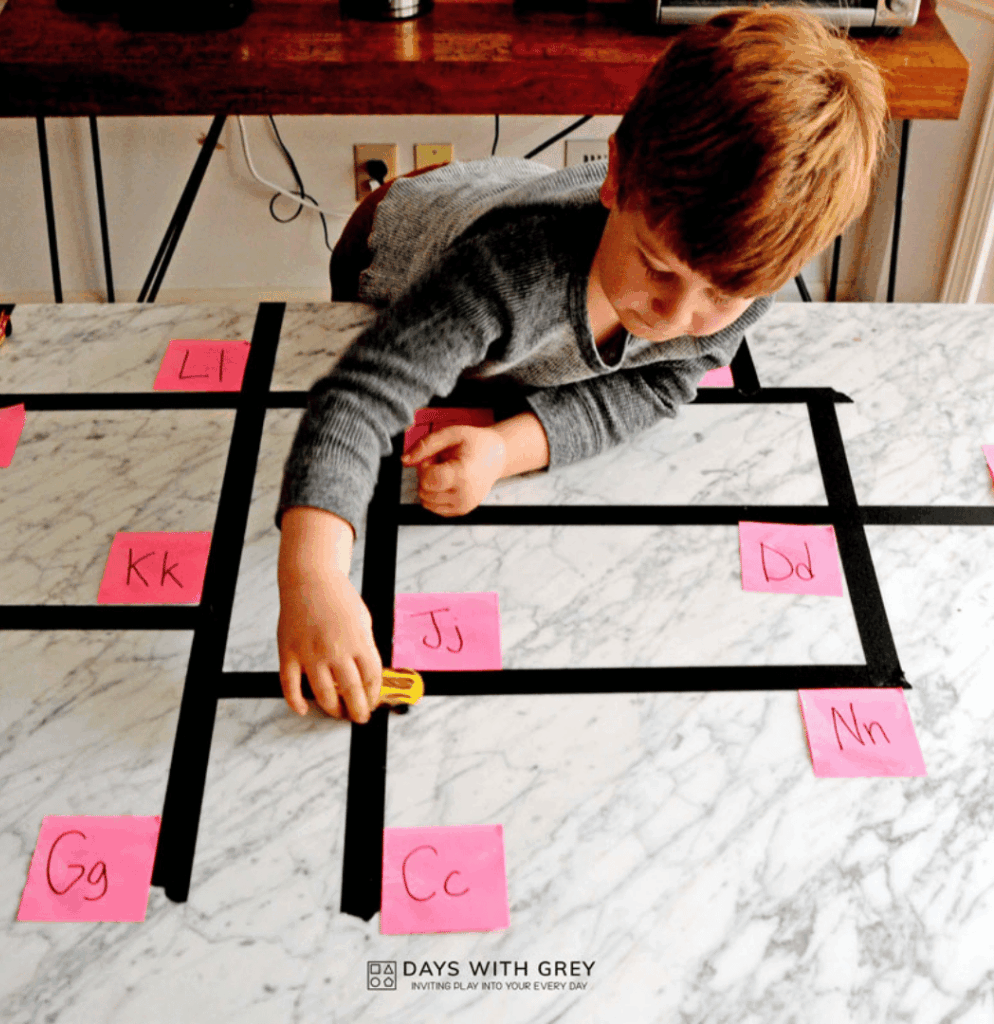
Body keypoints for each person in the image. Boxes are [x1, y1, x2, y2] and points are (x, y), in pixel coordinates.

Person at [276, 3, 892, 723]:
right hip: (399, 237)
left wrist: (506, 448)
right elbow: (361, 394)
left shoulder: (739, 279)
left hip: (513, 212)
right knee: (413, 346)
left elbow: (660, 385)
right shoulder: (508, 277)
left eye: (719, 295)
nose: (673, 317)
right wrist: (312, 575)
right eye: (657, 267)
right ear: (616, 177)